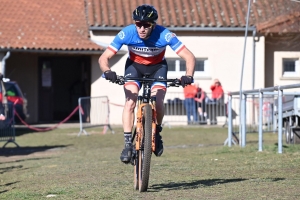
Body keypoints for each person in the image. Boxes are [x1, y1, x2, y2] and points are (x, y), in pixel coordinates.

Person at [99, 4, 196, 163]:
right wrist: (108, 71)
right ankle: (127, 144)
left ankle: (156, 132)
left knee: (158, 101)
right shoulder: (127, 33)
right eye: (138, 24)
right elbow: (104, 58)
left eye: (146, 25)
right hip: (134, 68)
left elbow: (189, 57)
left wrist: (188, 75)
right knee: (130, 102)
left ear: (153, 25)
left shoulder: (164, 35)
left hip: (158, 68)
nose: (142, 29)